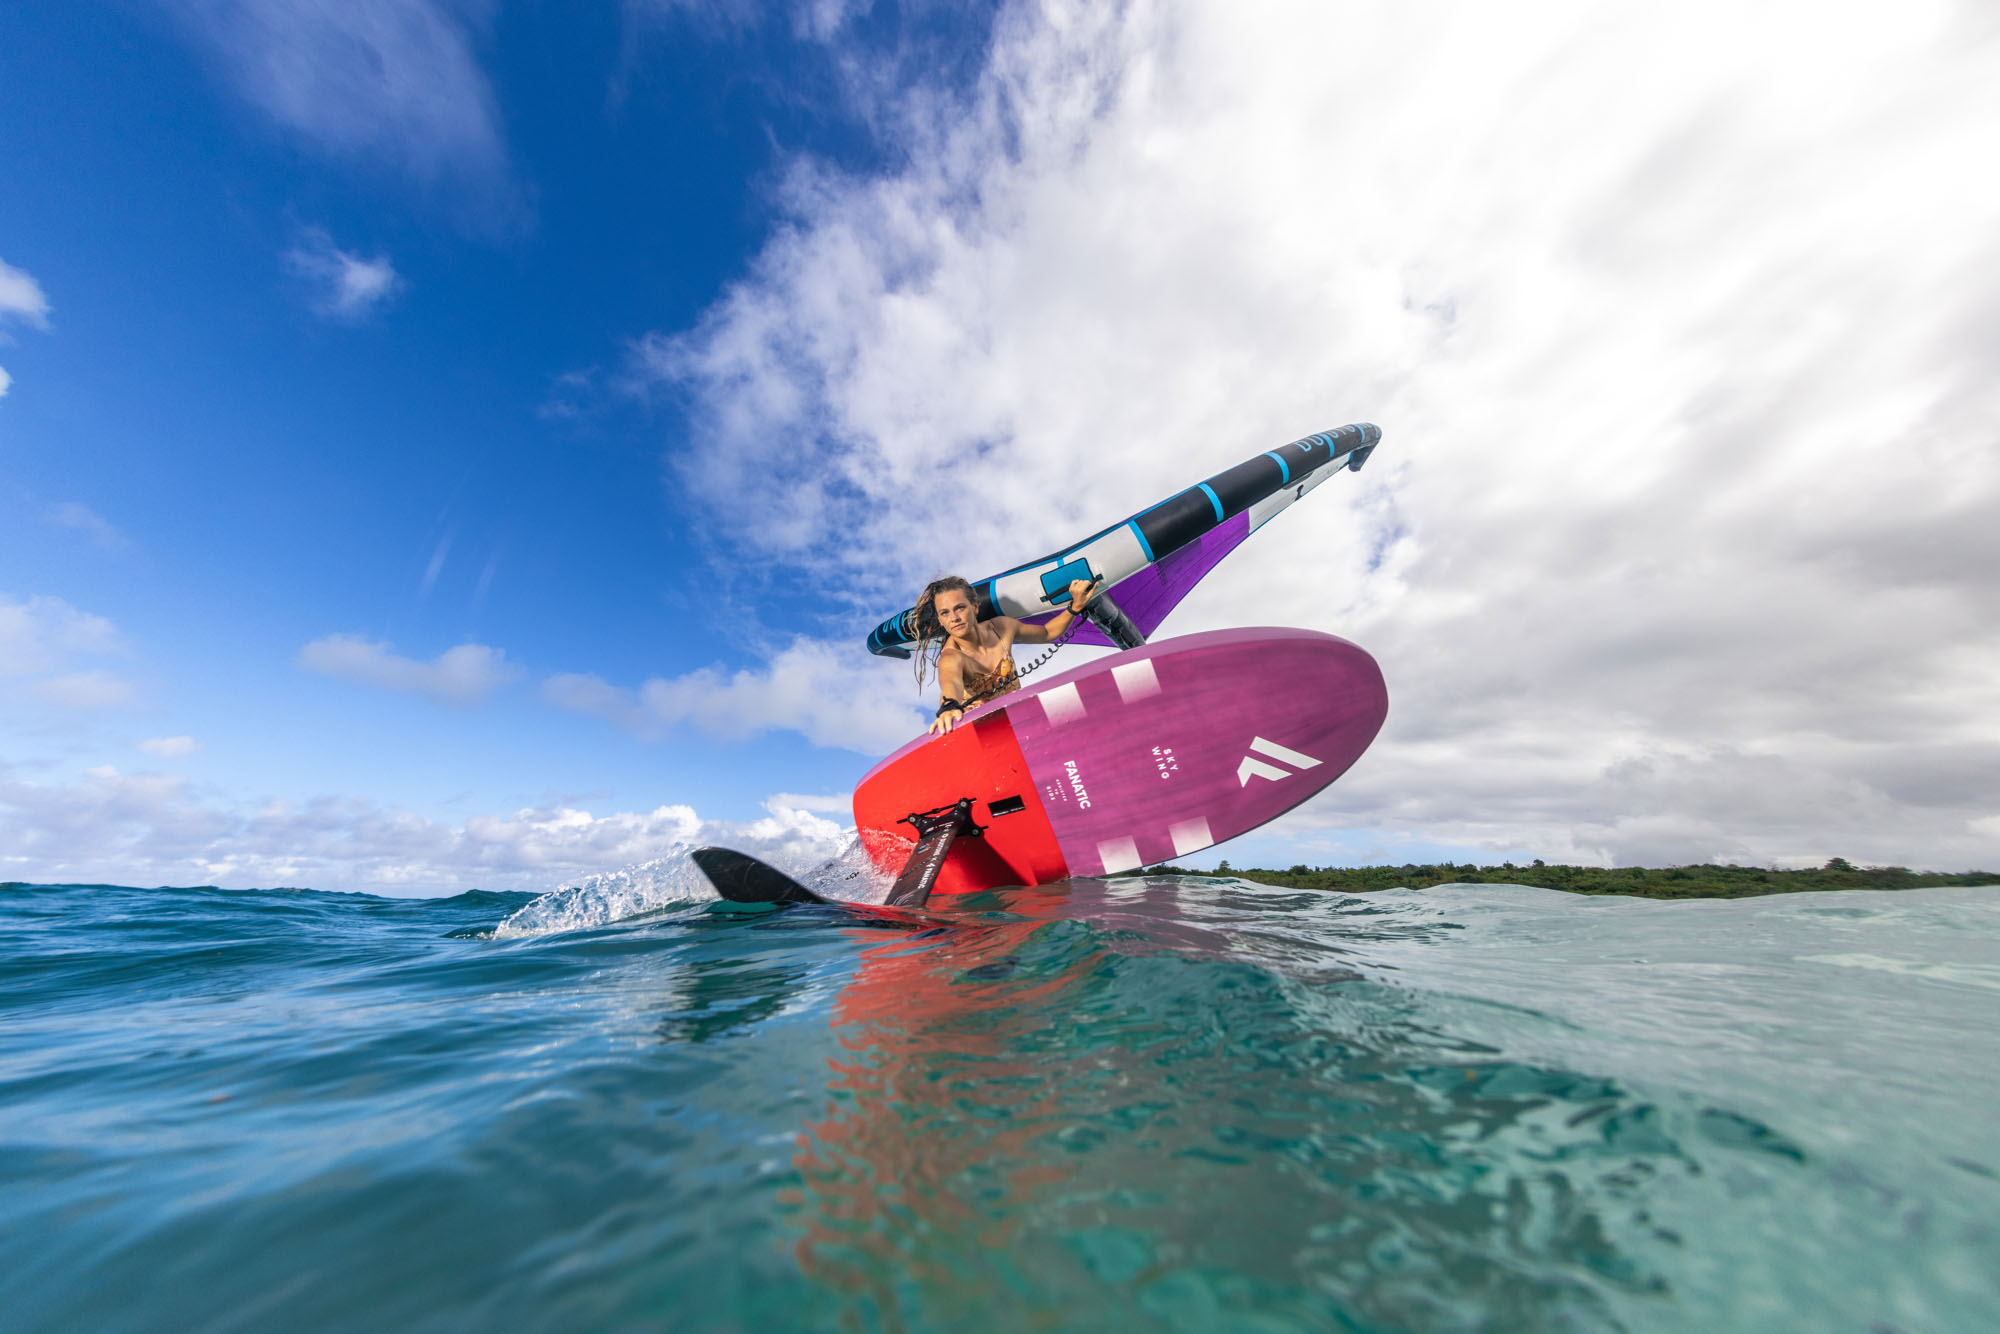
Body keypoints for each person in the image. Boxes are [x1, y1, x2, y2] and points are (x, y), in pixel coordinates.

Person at [914, 574, 1098, 735]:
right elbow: (950, 682)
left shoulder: (1002, 628)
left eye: (960, 608)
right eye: (945, 613)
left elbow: (1047, 632)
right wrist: (948, 707)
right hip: (986, 734)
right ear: (940, 620)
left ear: (975, 607)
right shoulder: (951, 657)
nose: (954, 618)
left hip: (1021, 719)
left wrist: (1075, 606)